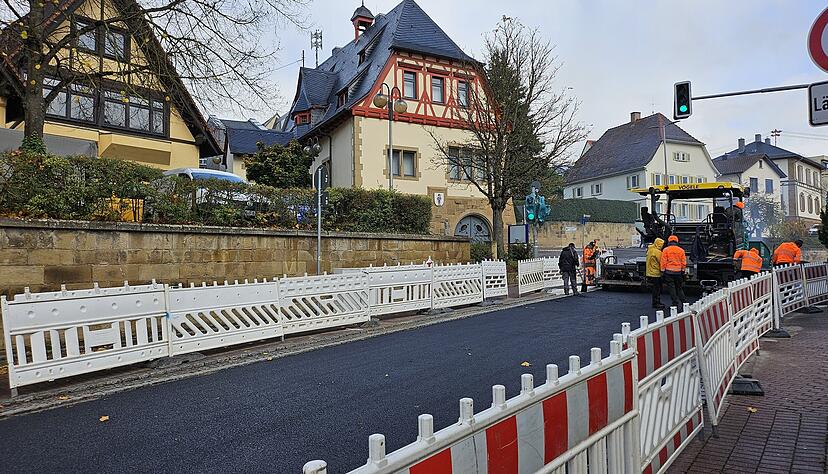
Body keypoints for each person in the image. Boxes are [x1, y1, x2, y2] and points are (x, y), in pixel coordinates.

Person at [660, 235, 687, 309]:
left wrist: (662, 271)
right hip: (678, 272)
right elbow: (683, 262)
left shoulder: (666, 250)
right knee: (679, 288)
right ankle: (684, 303)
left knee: (672, 288)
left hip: (669, 272)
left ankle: (675, 303)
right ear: (677, 241)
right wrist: (683, 270)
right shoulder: (681, 250)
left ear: (669, 241)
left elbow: (663, 261)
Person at [646, 237, 665, 310]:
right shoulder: (657, 252)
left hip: (650, 271)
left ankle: (656, 302)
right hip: (656, 272)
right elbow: (661, 262)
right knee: (657, 289)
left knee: (655, 288)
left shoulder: (650, 250)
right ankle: (656, 302)